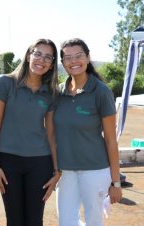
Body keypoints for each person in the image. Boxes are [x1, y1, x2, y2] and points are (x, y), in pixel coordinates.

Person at [0, 38, 61, 226]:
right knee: (14, 220)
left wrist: (57, 170)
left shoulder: (51, 92)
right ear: (29, 55)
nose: (42, 60)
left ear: (52, 63)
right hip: (8, 163)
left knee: (34, 220)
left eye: (48, 57)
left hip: (40, 163)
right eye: (38, 53)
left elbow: (51, 134)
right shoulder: (6, 83)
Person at [54, 38, 122, 226]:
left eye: (78, 56)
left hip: (95, 170)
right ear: (62, 63)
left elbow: (110, 140)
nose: (73, 61)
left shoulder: (101, 92)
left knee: (94, 221)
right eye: (68, 57)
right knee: (66, 222)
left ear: (88, 57)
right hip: (65, 171)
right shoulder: (58, 92)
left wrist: (116, 183)